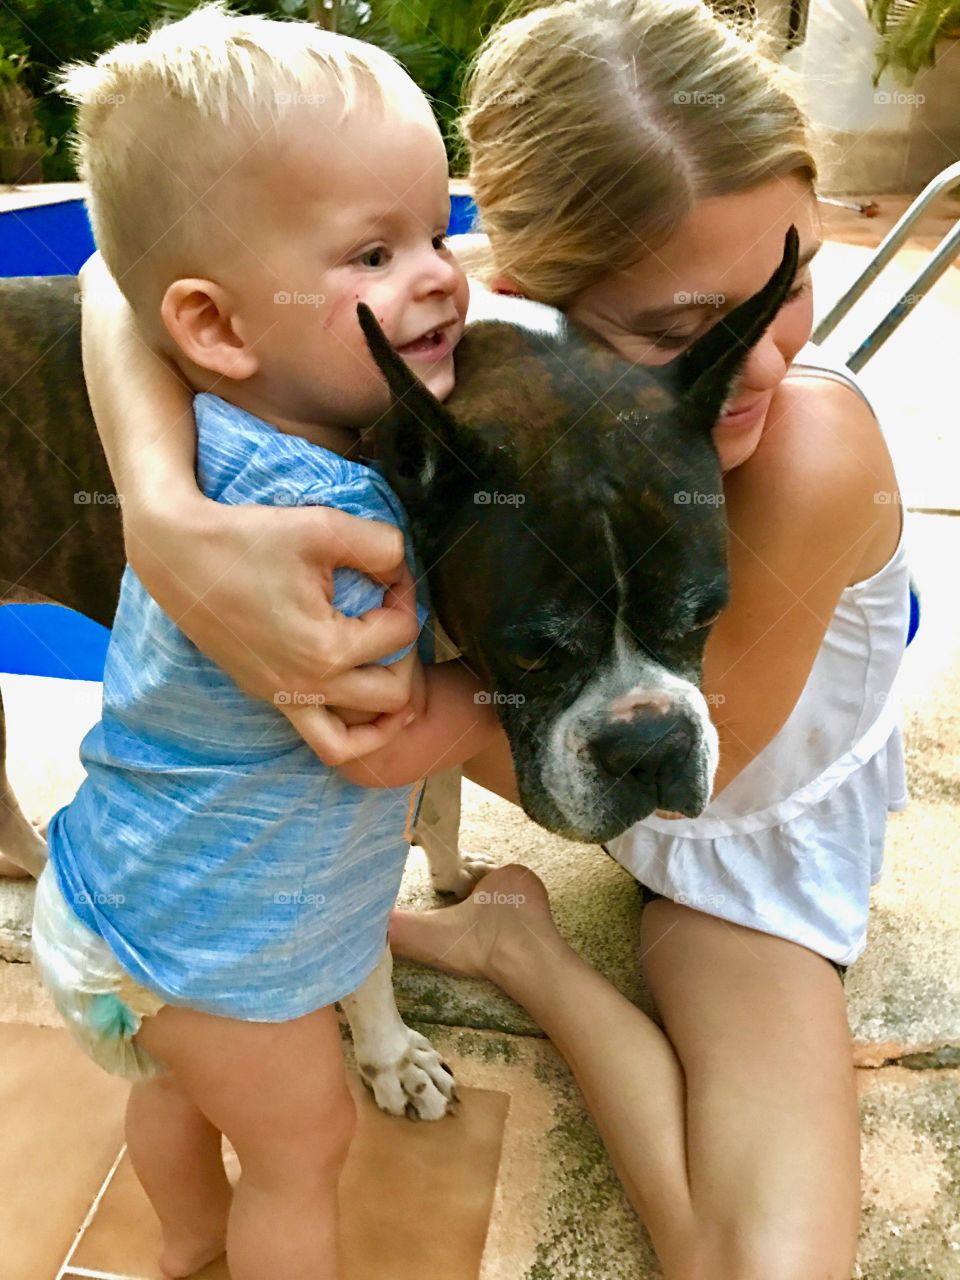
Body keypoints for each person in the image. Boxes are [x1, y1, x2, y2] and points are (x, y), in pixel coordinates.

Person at [70, 1, 908, 1277]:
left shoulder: (809, 445)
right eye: (682, 333)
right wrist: (163, 511)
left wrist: (260, 614)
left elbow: (686, 779)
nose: (754, 364)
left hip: (747, 852)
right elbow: (115, 272)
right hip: (603, 795)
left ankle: (520, 945)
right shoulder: (447, 340)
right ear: (515, 294)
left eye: (788, 286)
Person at [28, 8, 506, 1280]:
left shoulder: (215, 435)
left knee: (181, 1094)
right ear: (220, 325)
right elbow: (382, 728)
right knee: (303, 1155)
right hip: (227, 949)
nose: (443, 273)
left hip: (112, 911)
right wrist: (512, 689)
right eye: (374, 250)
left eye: (437, 227)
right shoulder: (337, 527)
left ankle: (186, 1244)